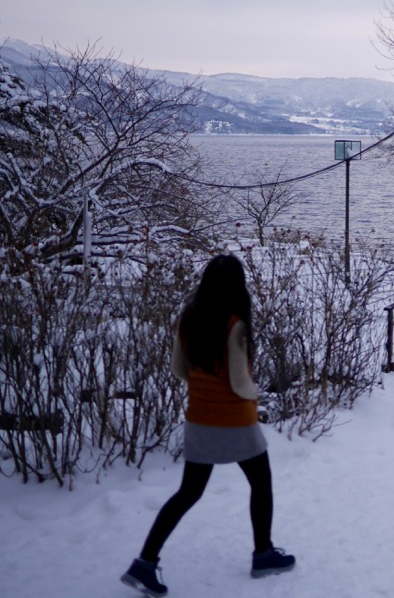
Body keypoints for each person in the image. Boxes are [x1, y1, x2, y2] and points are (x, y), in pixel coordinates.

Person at [121, 254, 295, 597]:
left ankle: (144, 562)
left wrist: (203, 386)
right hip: (235, 421)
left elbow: (178, 369)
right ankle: (263, 555)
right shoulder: (235, 324)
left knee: (188, 493)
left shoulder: (190, 319)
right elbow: (239, 381)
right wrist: (256, 394)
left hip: (199, 419)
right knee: (261, 484)